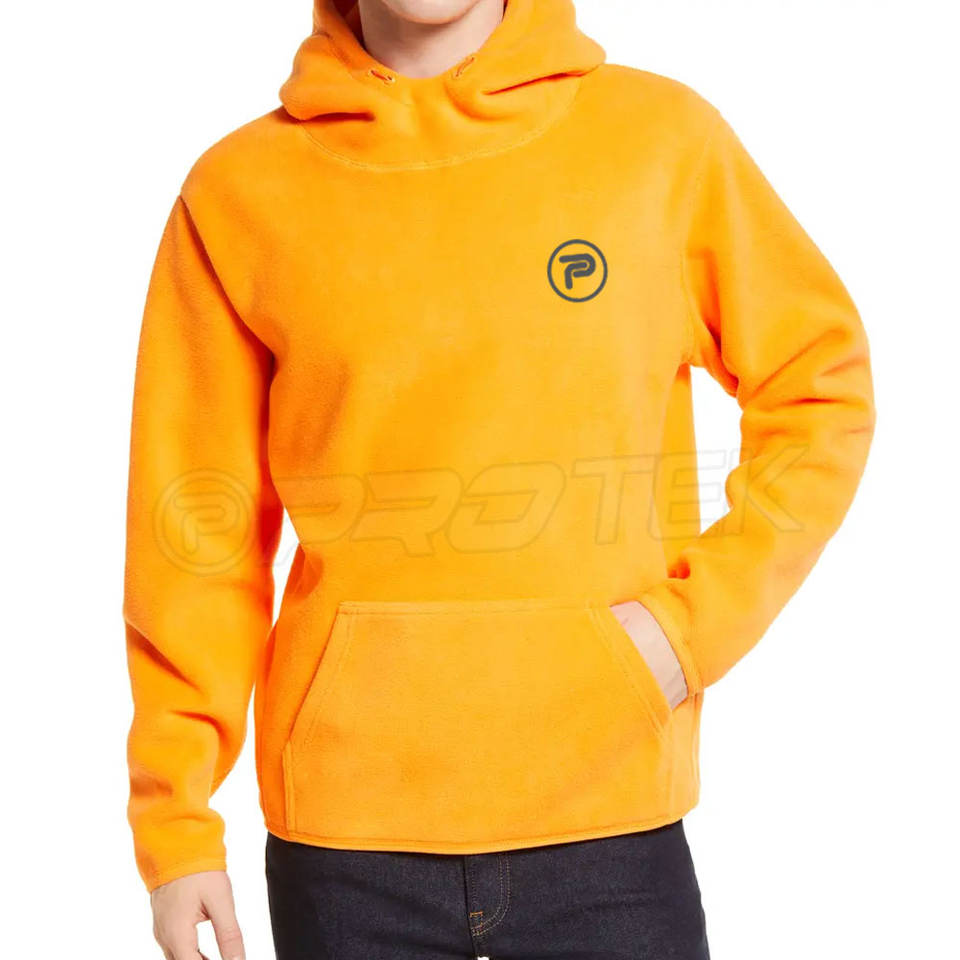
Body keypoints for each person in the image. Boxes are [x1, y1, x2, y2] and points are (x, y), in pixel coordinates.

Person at [124, 0, 875, 957]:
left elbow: (820, 391)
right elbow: (195, 526)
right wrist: (178, 824)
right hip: (347, 848)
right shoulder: (240, 190)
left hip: (609, 823)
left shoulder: (660, 143)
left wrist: (689, 631)